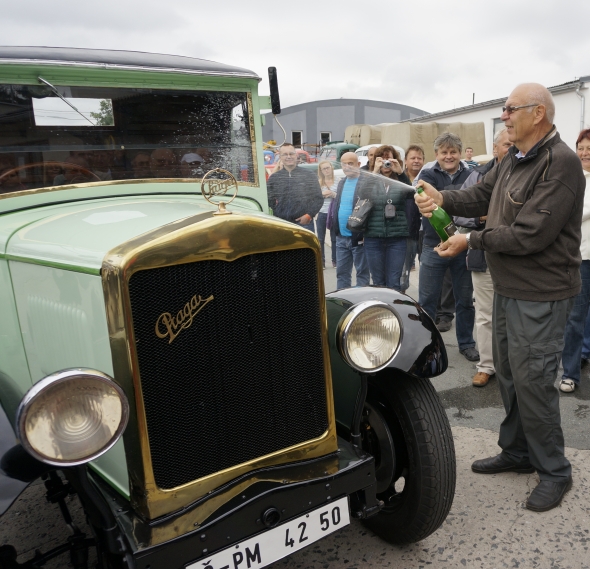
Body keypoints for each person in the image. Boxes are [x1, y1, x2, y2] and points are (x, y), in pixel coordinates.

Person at [415, 83, 585, 512]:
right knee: (510, 374)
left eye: (511, 109)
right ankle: (517, 452)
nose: (505, 115)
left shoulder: (560, 163)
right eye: (505, 109)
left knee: (533, 382)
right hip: (510, 287)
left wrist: (468, 240)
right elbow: (479, 194)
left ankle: (554, 471)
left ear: (539, 114)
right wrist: (441, 197)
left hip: (541, 293)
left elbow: (531, 234)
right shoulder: (513, 156)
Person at [415, 132, 479, 362]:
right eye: (444, 152)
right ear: (437, 154)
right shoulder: (427, 174)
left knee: (465, 299)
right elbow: (423, 202)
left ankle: (466, 343)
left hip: (463, 245)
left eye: (453, 152)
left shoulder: (472, 174)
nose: (449, 156)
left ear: (460, 153)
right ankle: (427, 345)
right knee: (427, 300)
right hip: (434, 244)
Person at [457, 127, 513, 387]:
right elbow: (458, 213)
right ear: (495, 148)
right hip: (483, 255)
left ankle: (511, 366)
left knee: (514, 315)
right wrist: (482, 218)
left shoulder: (527, 174)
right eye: (506, 145)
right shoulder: (477, 176)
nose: (512, 149)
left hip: (516, 258)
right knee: (485, 314)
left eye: (515, 144)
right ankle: (486, 366)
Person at [358, 145, 417, 291]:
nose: (386, 163)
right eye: (382, 159)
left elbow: (411, 194)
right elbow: (362, 194)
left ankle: (394, 311)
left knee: (394, 282)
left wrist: (401, 173)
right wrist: (375, 171)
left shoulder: (400, 180)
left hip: (397, 238)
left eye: (389, 159)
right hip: (373, 237)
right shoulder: (370, 178)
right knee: (378, 282)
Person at [559, 128, 590, 392]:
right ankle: (570, 372)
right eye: (581, 147)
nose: (584, 152)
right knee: (575, 316)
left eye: (589, 148)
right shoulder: (572, 178)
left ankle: (584, 352)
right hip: (581, 256)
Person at [327, 152, 370, 289]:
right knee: (342, 273)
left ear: (358, 164)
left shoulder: (365, 182)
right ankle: (343, 302)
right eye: (344, 164)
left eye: (350, 163)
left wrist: (365, 233)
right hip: (341, 238)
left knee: (362, 273)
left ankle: (361, 302)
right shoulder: (342, 182)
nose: (347, 167)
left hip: (358, 238)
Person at [267, 143, 323, 232]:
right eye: (285, 154)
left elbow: (318, 199)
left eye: (291, 154)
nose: (288, 156)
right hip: (282, 224)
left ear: (296, 155)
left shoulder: (309, 175)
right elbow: (269, 199)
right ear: (280, 157)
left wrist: (309, 215)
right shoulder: (275, 178)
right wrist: (278, 213)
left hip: (304, 224)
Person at [316, 161, 338, 268]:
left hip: (334, 213)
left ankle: (335, 261)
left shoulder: (338, 181)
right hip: (322, 212)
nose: (326, 170)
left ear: (332, 168)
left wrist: (333, 194)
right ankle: (322, 262)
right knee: (320, 238)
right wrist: (321, 195)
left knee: (334, 238)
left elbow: (342, 196)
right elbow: (314, 198)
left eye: (327, 168)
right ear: (320, 171)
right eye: (323, 169)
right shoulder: (319, 183)